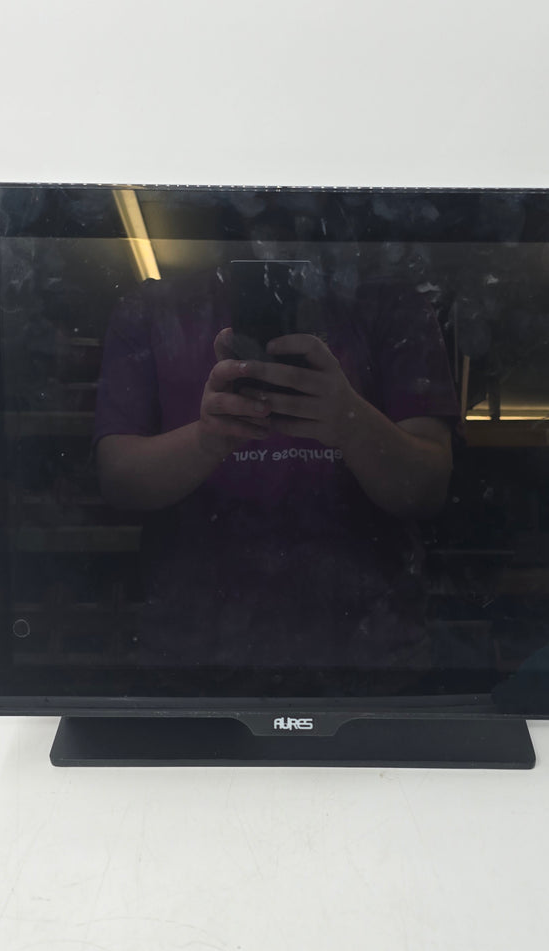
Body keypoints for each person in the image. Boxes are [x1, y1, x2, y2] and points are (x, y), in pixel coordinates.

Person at [92, 232, 461, 674]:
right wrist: (207, 439)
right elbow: (117, 479)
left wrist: (349, 422)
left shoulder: (392, 306)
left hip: (344, 654)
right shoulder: (151, 309)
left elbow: (428, 487)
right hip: (244, 656)